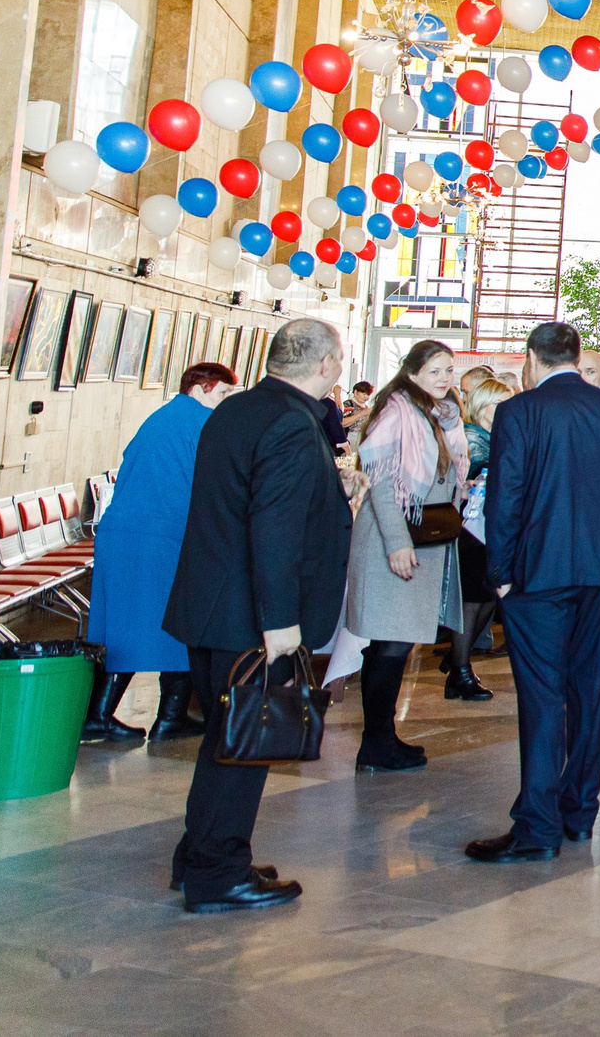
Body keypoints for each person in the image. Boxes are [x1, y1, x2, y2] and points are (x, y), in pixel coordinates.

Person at [161, 319, 352, 914]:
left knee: (224, 739)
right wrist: (280, 622)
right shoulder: (294, 424)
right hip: (251, 615)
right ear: (324, 365)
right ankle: (219, 875)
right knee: (242, 746)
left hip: (211, 604)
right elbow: (273, 527)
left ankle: (202, 857)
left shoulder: (235, 409)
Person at [467, 321, 600, 865]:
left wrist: (499, 568)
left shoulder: (519, 412)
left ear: (531, 358)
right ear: (573, 356)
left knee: (543, 696)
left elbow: (507, 494)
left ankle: (537, 826)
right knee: (589, 692)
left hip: (538, 573)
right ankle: (578, 813)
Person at [83, 363, 240, 745]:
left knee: (123, 625)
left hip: (124, 533)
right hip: (158, 536)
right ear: (203, 388)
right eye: (221, 395)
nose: (222, 404)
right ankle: (146, 718)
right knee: (180, 621)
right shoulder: (200, 422)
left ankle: (138, 716)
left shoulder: (161, 418)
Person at [341, 338, 471, 773]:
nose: (445, 378)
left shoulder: (438, 412)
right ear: (412, 373)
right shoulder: (396, 411)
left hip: (424, 537)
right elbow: (380, 482)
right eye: (435, 371)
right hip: (392, 539)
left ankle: (381, 738)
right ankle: (375, 744)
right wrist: (397, 542)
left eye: (450, 370)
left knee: (394, 642)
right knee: (390, 642)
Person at [443, 375, 512, 695]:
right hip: (471, 528)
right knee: (472, 600)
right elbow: (477, 472)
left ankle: (459, 664)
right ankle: (459, 669)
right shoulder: (473, 436)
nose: (506, 408)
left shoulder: (491, 434)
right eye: (501, 402)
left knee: (484, 598)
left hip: (486, 527)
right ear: (484, 404)